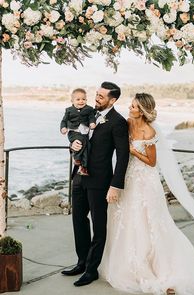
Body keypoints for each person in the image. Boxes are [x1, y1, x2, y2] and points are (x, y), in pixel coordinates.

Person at [99, 93, 194, 295]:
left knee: (150, 222)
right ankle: (129, 264)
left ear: (142, 111)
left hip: (146, 181)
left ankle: (159, 267)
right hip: (129, 178)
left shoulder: (148, 131)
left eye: (134, 106)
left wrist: (132, 150)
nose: (130, 108)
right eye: (131, 105)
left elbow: (151, 161)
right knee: (128, 219)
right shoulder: (127, 123)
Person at [61, 82, 130, 287]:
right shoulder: (86, 113)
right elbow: (75, 134)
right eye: (97, 94)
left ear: (113, 100)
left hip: (100, 180)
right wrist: (72, 145)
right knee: (78, 221)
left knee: (99, 227)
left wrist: (116, 185)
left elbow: (123, 155)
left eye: (101, 96)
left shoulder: (117, 122)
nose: (96, 98)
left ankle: (91, 270)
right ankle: (81, 262)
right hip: (79, 176)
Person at [60, 88, 96, 175]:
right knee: (81, 141)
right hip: (73, 132)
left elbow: (91, 117)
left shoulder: (89, 109)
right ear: (72, 100)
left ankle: (83, 167)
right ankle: (76, 158)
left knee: (87, 146)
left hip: (84, 132)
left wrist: (92, 123)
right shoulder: (69, 110)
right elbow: (64, 121)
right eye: (78, 99)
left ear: (86, 100)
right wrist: (63, 128)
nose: (81, 101)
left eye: (83, 99)